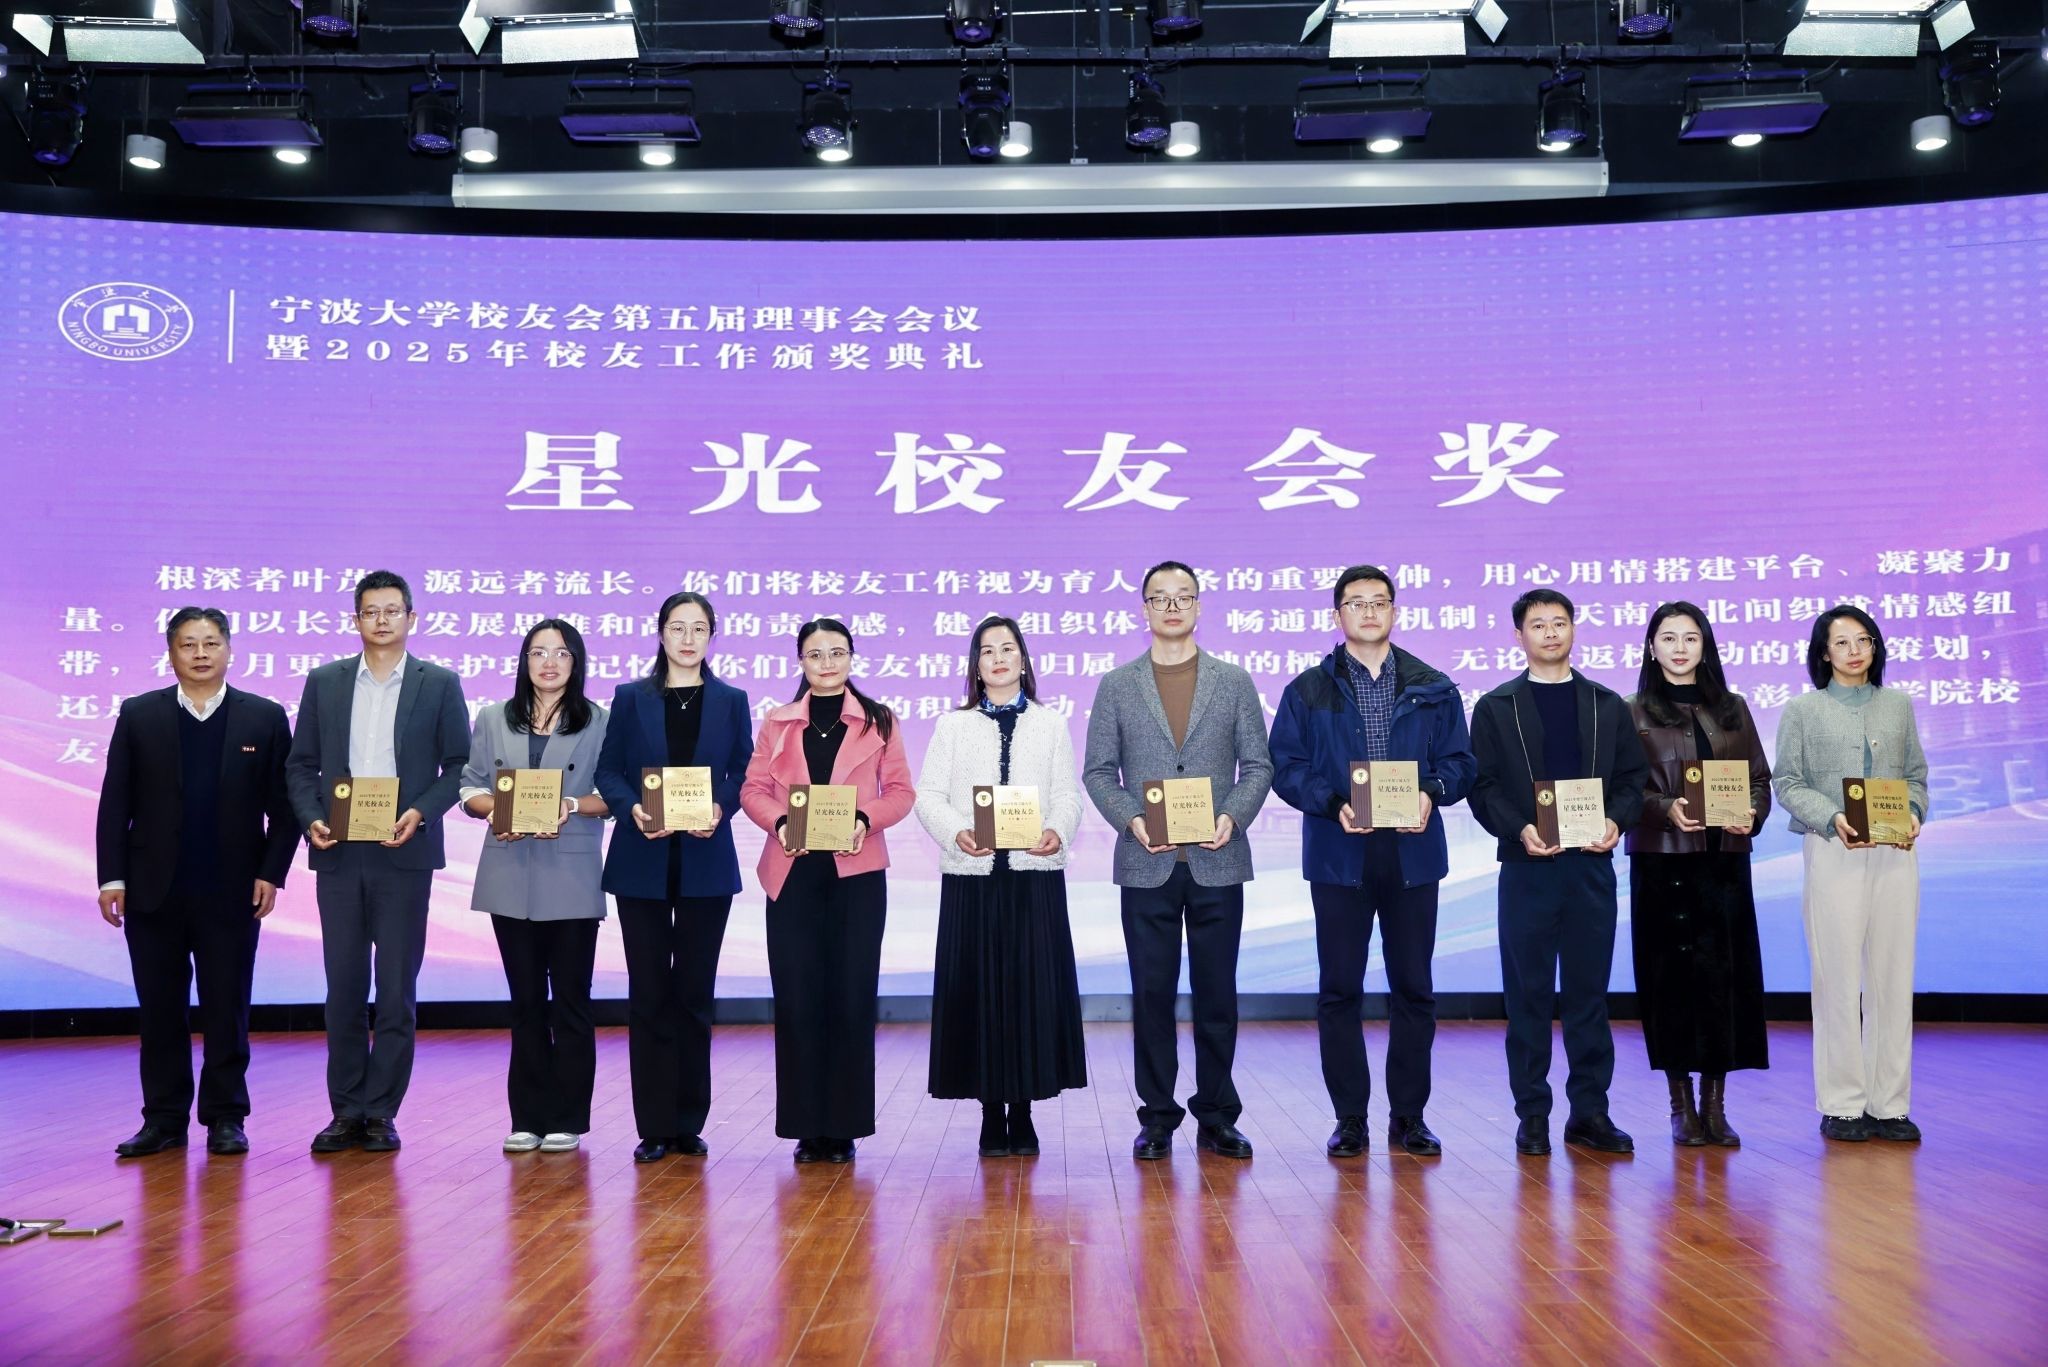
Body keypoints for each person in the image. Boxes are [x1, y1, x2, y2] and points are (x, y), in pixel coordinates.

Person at [1268, 564, 1475, 1159]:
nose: (1368, 612)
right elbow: (1286, 766)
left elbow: (1461, 763)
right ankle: (1350, 1118)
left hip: (1412, 852)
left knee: (1414, 987)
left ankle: (1409, 1116)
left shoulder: (1434, 686)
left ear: (1394, 611)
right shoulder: (1308, 689)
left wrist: (1431, 792)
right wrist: (1332, 803)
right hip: (1341, 853)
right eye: (1355, 603)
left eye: (1378, 601)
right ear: (1338, 615)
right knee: (1339, 990)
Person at [1082, 560, 1273, 1161]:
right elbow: (1098, 771)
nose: (1171, 607)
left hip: (1218, 858)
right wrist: (1131, 820)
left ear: (1198, 606)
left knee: (1217, 995)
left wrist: (1232, 815)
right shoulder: (1117, 685)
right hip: (1148, 861)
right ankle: (1158, 1116)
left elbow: (1258, 765)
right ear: (1144, 609)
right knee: (1152, 995)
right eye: (1159, 598)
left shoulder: (1233, 680)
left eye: (1182, 596)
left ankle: (1217, 1114)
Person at [94, 607, 297, 1158]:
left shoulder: (264, 717)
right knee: (160, 1008)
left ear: (230, 650)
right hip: (152, 889)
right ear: (171, 652)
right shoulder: (140, 714)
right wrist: (111, 877)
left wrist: (271, 873)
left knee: (227, 1006)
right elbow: (116, 803)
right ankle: (163, 1119)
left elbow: (284, 809)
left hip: (232, 889)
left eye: (211, 643)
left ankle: (226, 1116)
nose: (201, 654)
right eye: (188, 644)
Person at [286, 570, 470, 1155]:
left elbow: (458, 766)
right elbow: (301, 764)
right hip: (339, 852)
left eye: (393, 610)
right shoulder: (325, 681)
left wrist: (420, 812)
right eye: (371, 611)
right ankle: (346, 1110)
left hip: (403, 851)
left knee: (395, 989)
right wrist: (311, 818)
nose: (382, 620)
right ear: (356, 619)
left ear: (411, 618)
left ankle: (381, 1111)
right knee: (342, 987)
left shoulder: (439, 683)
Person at [1468, 588, 1648, 1157]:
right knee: (1527, 995)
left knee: (1588, 995)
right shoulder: (1497, 707)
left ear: (1573, 629)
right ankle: (1532, 1114)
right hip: (1528, 868)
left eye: (1559, 622)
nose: (1550, 632)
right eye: (1538, 624)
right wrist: (1519, 828)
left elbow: (1633, 780)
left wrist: (1616, 822)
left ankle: (1590, 1112)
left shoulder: (1605, 704)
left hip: (1590, 867)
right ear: (1518, 635)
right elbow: (1483, 786)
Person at [739, 618, 915, 1163]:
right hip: (791, 873)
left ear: (852, 657)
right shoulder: (777, 722)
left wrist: (865, 818)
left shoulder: (879, 720)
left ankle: (843, 1126)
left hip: (855, 875)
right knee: (797, 998)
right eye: (815, 654)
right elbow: (753, 789)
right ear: (801, 661)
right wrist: (779, 822)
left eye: (837, 652)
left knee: (850, 997)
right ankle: (804, 1125)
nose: (827, 663)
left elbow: (901, 792)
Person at [914, 616, 1087, 1158]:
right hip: (974, 877)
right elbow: (928, 796)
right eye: (987, 651)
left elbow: (1068, 795)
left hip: (1034, 877)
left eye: (1008, 648)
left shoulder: (1051, 724)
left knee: (1030, 994)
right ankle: (991, 1111)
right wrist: (956, 832)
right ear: (976, 666)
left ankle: (1024, 1110)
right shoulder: (953, 726)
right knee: (979, 993)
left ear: (1023, 659)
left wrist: (1057, 831)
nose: (998, 658)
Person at [593, 591, 753, 1164]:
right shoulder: (630, 697)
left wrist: (721, 807)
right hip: (643, 861)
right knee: (649, 994)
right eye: (677, 627)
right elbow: (608, 771)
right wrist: (631, 807)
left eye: (699, 628)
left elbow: (743, 769)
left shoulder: (731, 700)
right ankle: (654, 1125)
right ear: (660, 633)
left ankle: (689, 1122)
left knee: (694, 994)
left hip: (706, 862)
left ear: (712, 636)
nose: (688, 638)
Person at [1773, 605, 1929, 1144]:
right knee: (1837, 977)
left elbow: (1917, 777)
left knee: (1893, 976)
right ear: (1824, 652)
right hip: (1833, 847)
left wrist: (1915, 812)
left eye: (1864, 640)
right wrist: (1830, 816)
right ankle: (1842, 1104)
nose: (1855, 650)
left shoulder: (1898, 705)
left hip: (1895, 850)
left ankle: (1890, 1104)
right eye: (1841, 642)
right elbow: (1787, 782)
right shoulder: (1802, 710)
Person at [458, 618, 610, 1155]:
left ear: (577, 663)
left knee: (571, 1001)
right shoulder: (493, 717)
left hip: (572, 874)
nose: (550, 662)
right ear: (524, 661)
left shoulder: (600, 720)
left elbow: (612, 794)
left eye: (562, 653)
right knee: (524, 1002)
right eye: (539, 652)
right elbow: (471, 786)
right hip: (510, 870)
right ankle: (527, 1117)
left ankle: (567, 1117)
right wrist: (494, 809)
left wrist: (571, 804)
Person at [1624, 602, 1773, 1147]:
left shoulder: (1732, 707)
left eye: (1691, 637)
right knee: (1669, 982)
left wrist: (1752, 812)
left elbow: (1759, 779)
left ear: (1705, 645)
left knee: (1722, 982)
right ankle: (1680, 1103)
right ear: (1652, 647)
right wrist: (1665, 808)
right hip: (1663, 864)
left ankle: (1716, 1104)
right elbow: (1623, 788)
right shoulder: (1631, 711)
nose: (1680, 647)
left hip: (1723, 863)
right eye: (1669, 637)